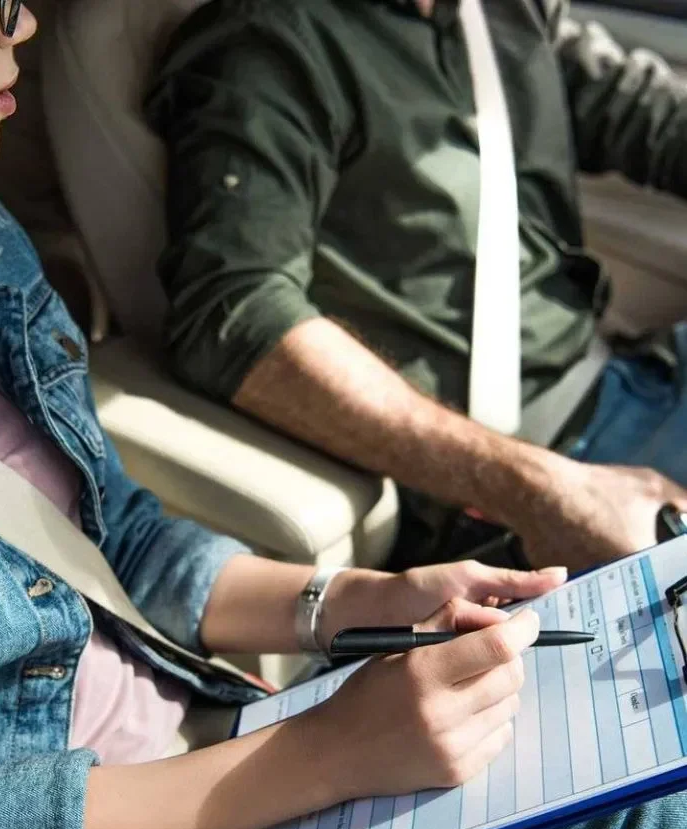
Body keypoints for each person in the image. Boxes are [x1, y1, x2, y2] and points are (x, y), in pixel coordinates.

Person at [0, 3, 687, 829]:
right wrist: (325, 754)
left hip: (206, 746)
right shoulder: (274, 42)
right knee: (627, 815)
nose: (24, 20)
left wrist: (355, 600)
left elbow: (117, 538)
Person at [145, 0, 687, 573]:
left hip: (632, 372)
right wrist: (535, 489)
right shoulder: (271, 43)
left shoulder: (497, 13)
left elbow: (642, 113)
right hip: (535, 463)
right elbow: (235, 315)